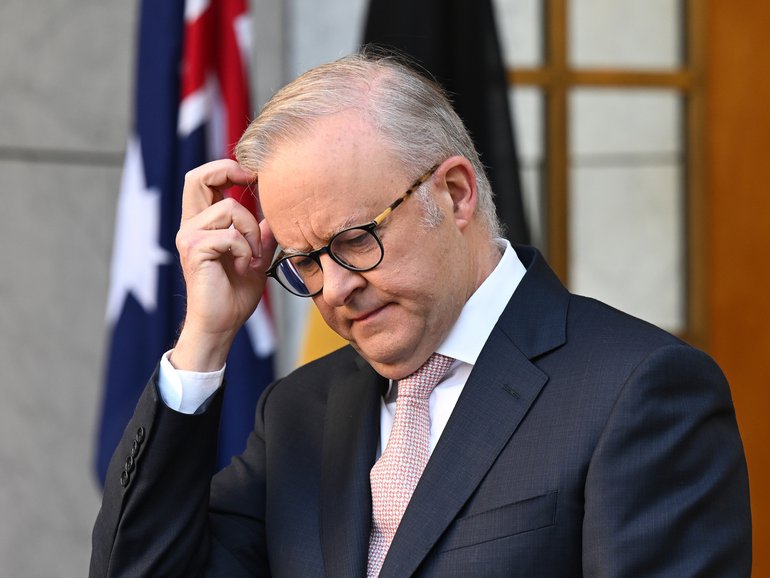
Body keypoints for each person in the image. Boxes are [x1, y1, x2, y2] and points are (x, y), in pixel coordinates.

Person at [90, 49, 751, 577]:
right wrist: (203, 340)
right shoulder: (299, 414)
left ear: (456, 193)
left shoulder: (639, 391)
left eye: (354, 240)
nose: (334, 289)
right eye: (306, 262)